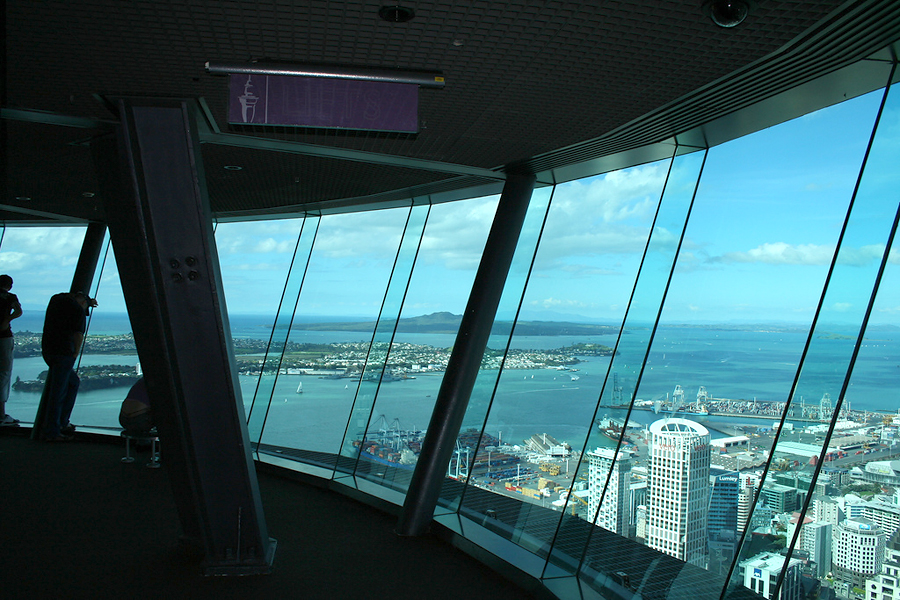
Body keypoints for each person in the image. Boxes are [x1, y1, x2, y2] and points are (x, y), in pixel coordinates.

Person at [40, 290, 97, 441]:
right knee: (58, 393)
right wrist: (75, 353)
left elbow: (69, 294)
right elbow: (78, 335)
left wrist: (87, 301)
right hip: (64, 352)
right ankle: (53, 431)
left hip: (48, 350)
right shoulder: (77, 311)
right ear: (83, 303)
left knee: (72, 382)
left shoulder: (56, 300)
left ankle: (61, 423)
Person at [0, 274, 23, 426]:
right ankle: (1, 415)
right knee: (4, 373)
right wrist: (6, 320)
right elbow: (18, 311)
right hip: (3, 336)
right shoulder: (9, 297)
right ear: (10, 285)